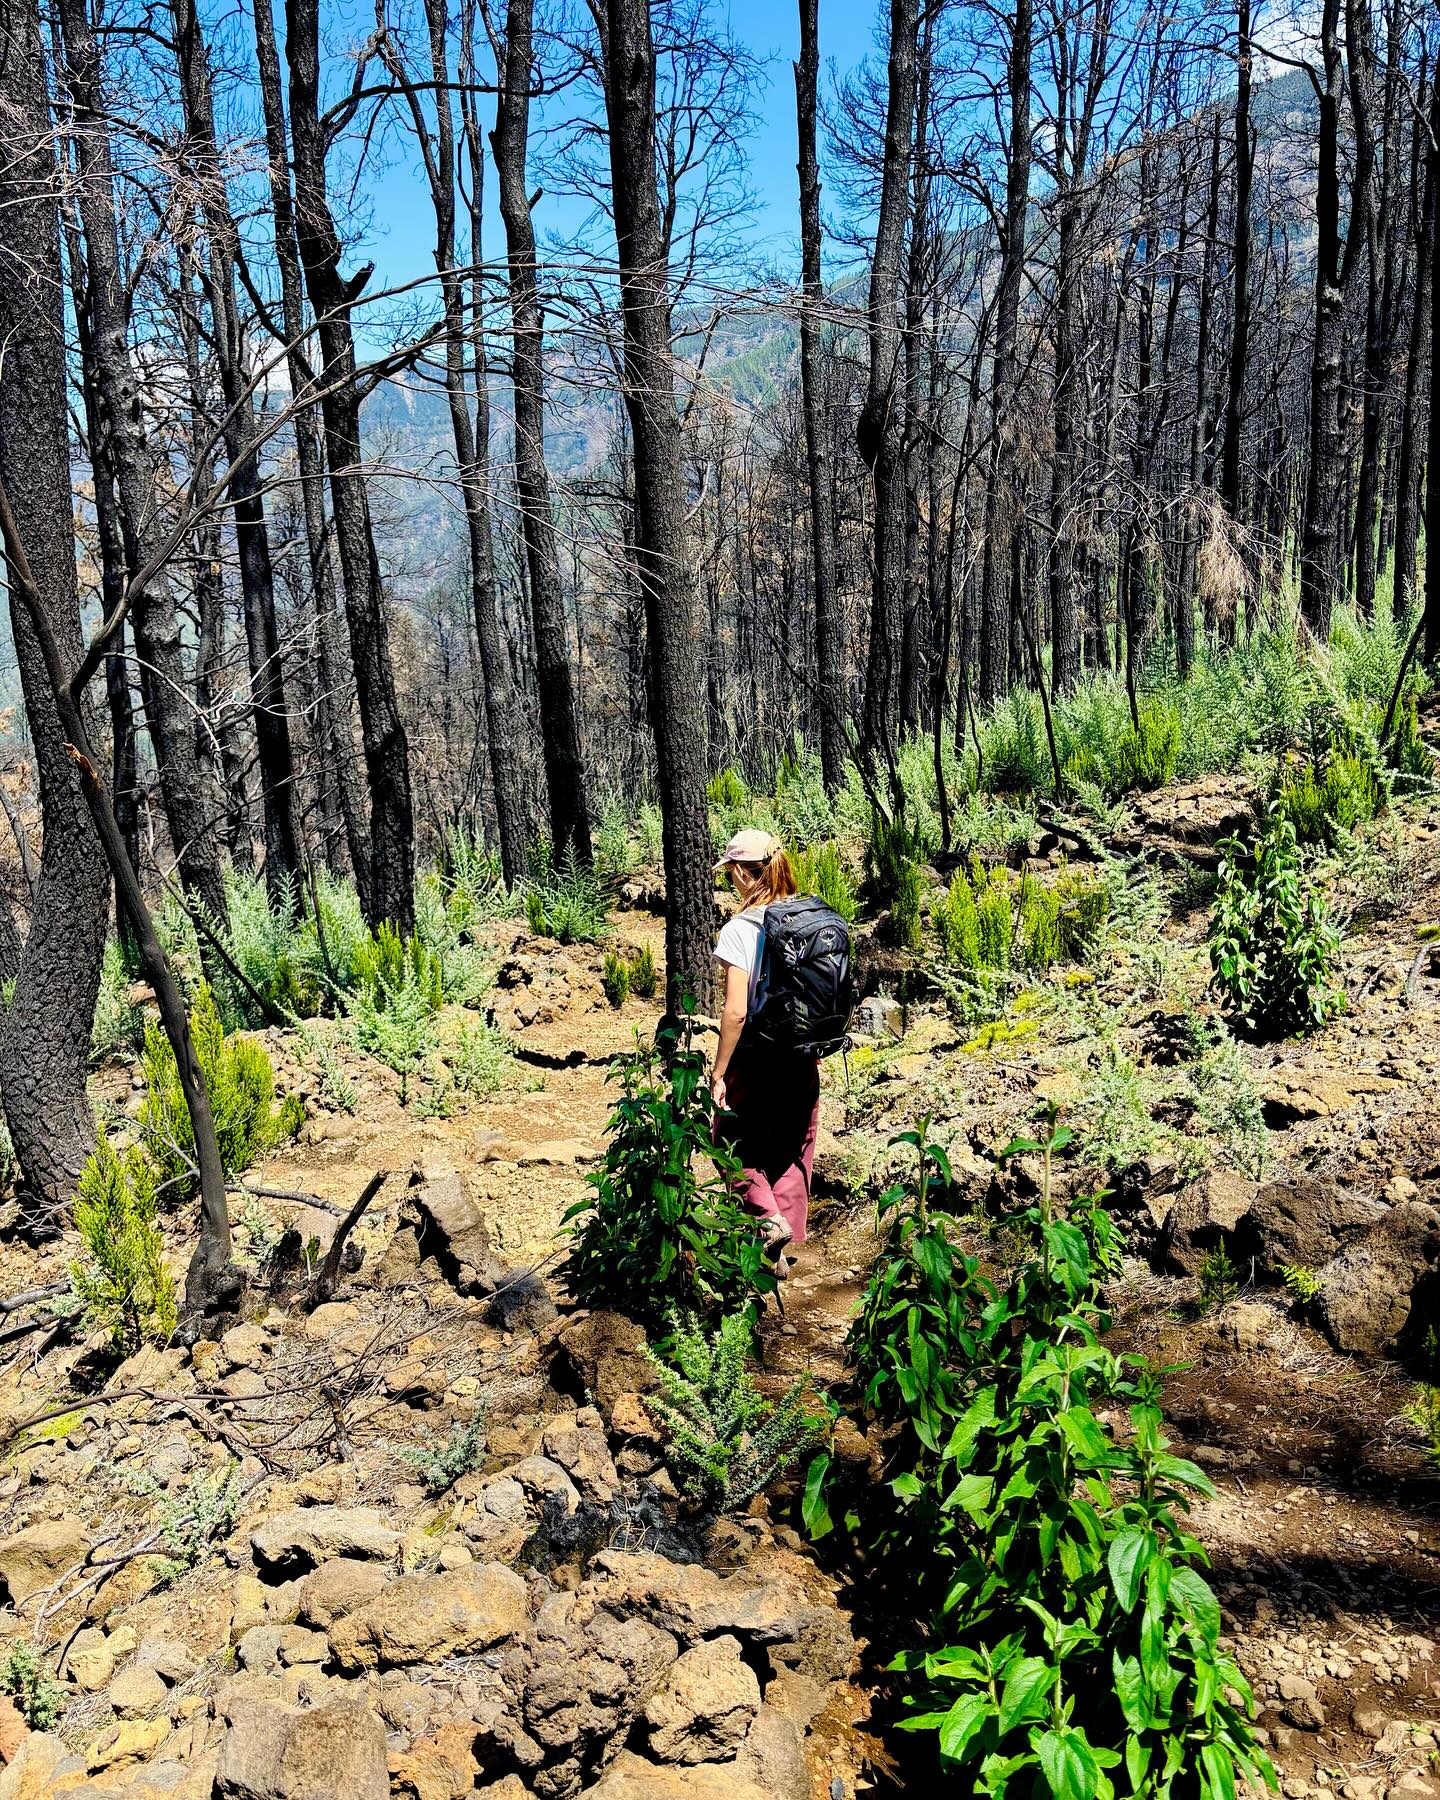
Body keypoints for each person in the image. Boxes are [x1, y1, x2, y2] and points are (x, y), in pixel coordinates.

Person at [710, 829, 821, 1275]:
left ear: (740, 871)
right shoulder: (810, 915)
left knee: (729, 1141)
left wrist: (719, 1072)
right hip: (804, 1053)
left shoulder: (740, 929)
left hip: (757, 1056)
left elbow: (735, 1012)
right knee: (795, 1145)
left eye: (730, 873)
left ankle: (766, 1220)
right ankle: (782, 1246)